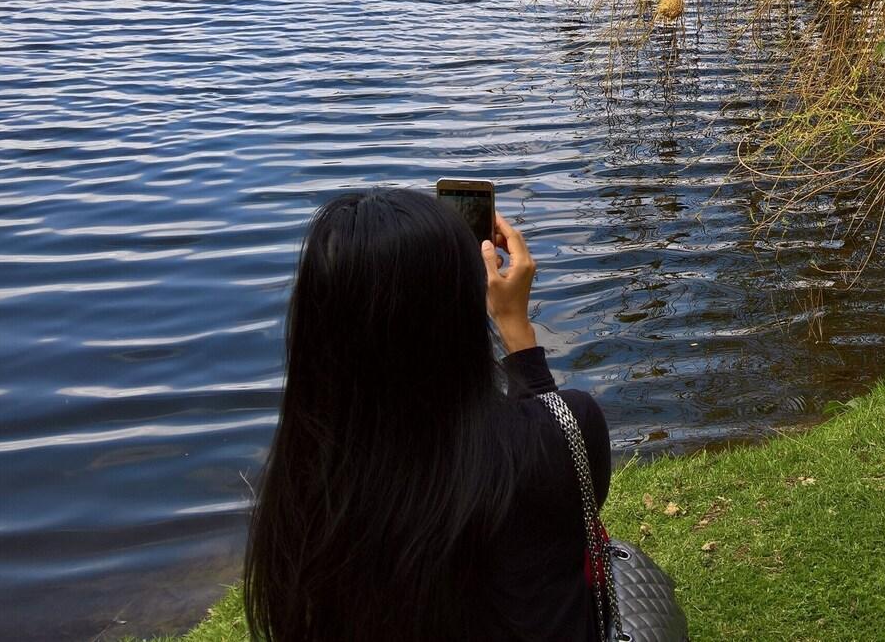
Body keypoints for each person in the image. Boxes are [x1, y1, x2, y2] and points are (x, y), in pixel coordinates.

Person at [242, 187, 610, 641]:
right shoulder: (565, 432)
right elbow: (563, 483)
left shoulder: (308, 487)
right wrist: (517, 330)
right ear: (456, 310)